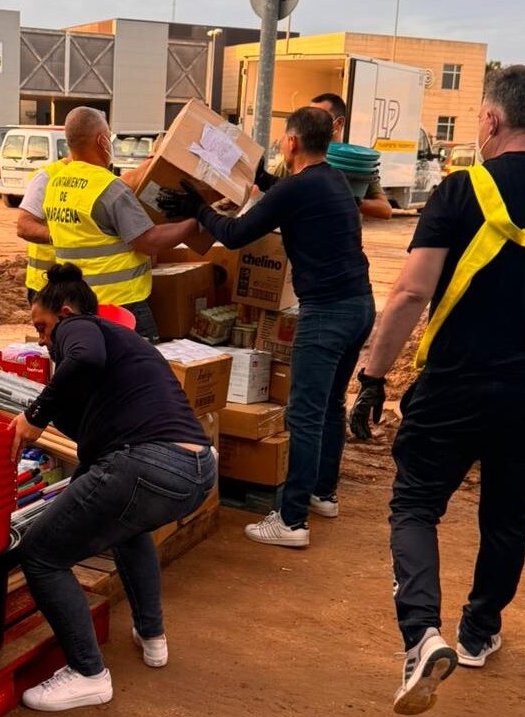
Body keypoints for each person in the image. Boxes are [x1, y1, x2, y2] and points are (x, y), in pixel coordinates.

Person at [346, 65, 525, 716]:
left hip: (456, 387)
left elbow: (411, 291)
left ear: (492, 120)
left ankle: (421, 637)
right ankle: (478, 632)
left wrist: (373, 377)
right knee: (508, 513)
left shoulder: (462, 192)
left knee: (415, 505)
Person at [159, 107, 375, 545]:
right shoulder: (331, 180)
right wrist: (253, 179)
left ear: (292, 142)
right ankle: (322, 494)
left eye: (282, 139)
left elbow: (235, 235)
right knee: (331, 405)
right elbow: (281, 192)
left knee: (305, 416)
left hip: (326, 313)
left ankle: (292, 521)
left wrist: (199, 210)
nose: (279, 145)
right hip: (361, 307)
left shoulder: (299, 188)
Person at [9, 264, 216, 712]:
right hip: (196, 469)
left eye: (43, 328)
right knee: (123, 527)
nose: (44, 341)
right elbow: (95, 455)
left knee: (40, 554)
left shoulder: (80, 326)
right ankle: (152, 634)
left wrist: (34, 415)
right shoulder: (125, 355)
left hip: (148, 462)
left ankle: (87, 673)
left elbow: (82, 357)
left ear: (63, 313)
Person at [18, 107, 200, 342]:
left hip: (79, 304)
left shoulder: (56, 184)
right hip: (121, 305)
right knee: (139, 369)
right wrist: (195, 223)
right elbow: (150, 241)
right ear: (103, 140)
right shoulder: (108, 187)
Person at [310, 92, 392, 220]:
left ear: (339, 123)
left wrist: (347, 200)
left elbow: (385, 210)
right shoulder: (302, 154)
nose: (312, 124)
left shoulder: (355, 162)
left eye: (319, 118)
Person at [16, 158, 68, 304]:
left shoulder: (100, 177)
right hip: (46, 286)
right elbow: (24, 226)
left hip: (81, 286)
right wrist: (63, 237)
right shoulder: (47, 176)